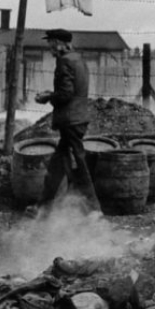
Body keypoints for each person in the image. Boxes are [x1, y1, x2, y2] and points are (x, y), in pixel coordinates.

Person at [34, 28, 100, 214]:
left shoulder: (64, 61)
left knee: (80, 163)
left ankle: (95, 211)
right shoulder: (77, 59)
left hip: (70, 120)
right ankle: (43, 207)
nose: (50, 48)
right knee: (57, 164)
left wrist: (47, 97)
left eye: (51, 44)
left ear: (59, 44)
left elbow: (65, 94)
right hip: (77, 118)